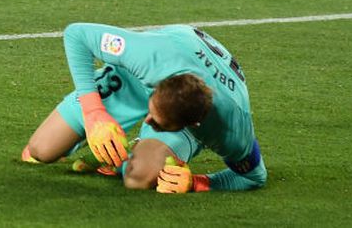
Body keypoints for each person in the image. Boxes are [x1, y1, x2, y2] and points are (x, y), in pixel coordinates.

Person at [22, 22, 267, 193]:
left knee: (138, 178)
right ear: (161, 85)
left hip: (195, 104)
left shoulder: (228, 128)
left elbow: (254, 176)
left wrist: (197, 182)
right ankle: (102, 140)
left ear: (193, 126)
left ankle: (120, 158)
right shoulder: (150, 58)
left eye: (157, 123)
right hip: (137, 80)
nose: (148, 120)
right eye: (152, 111)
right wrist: (94, 114)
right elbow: (77, 34)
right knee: (41, 150)